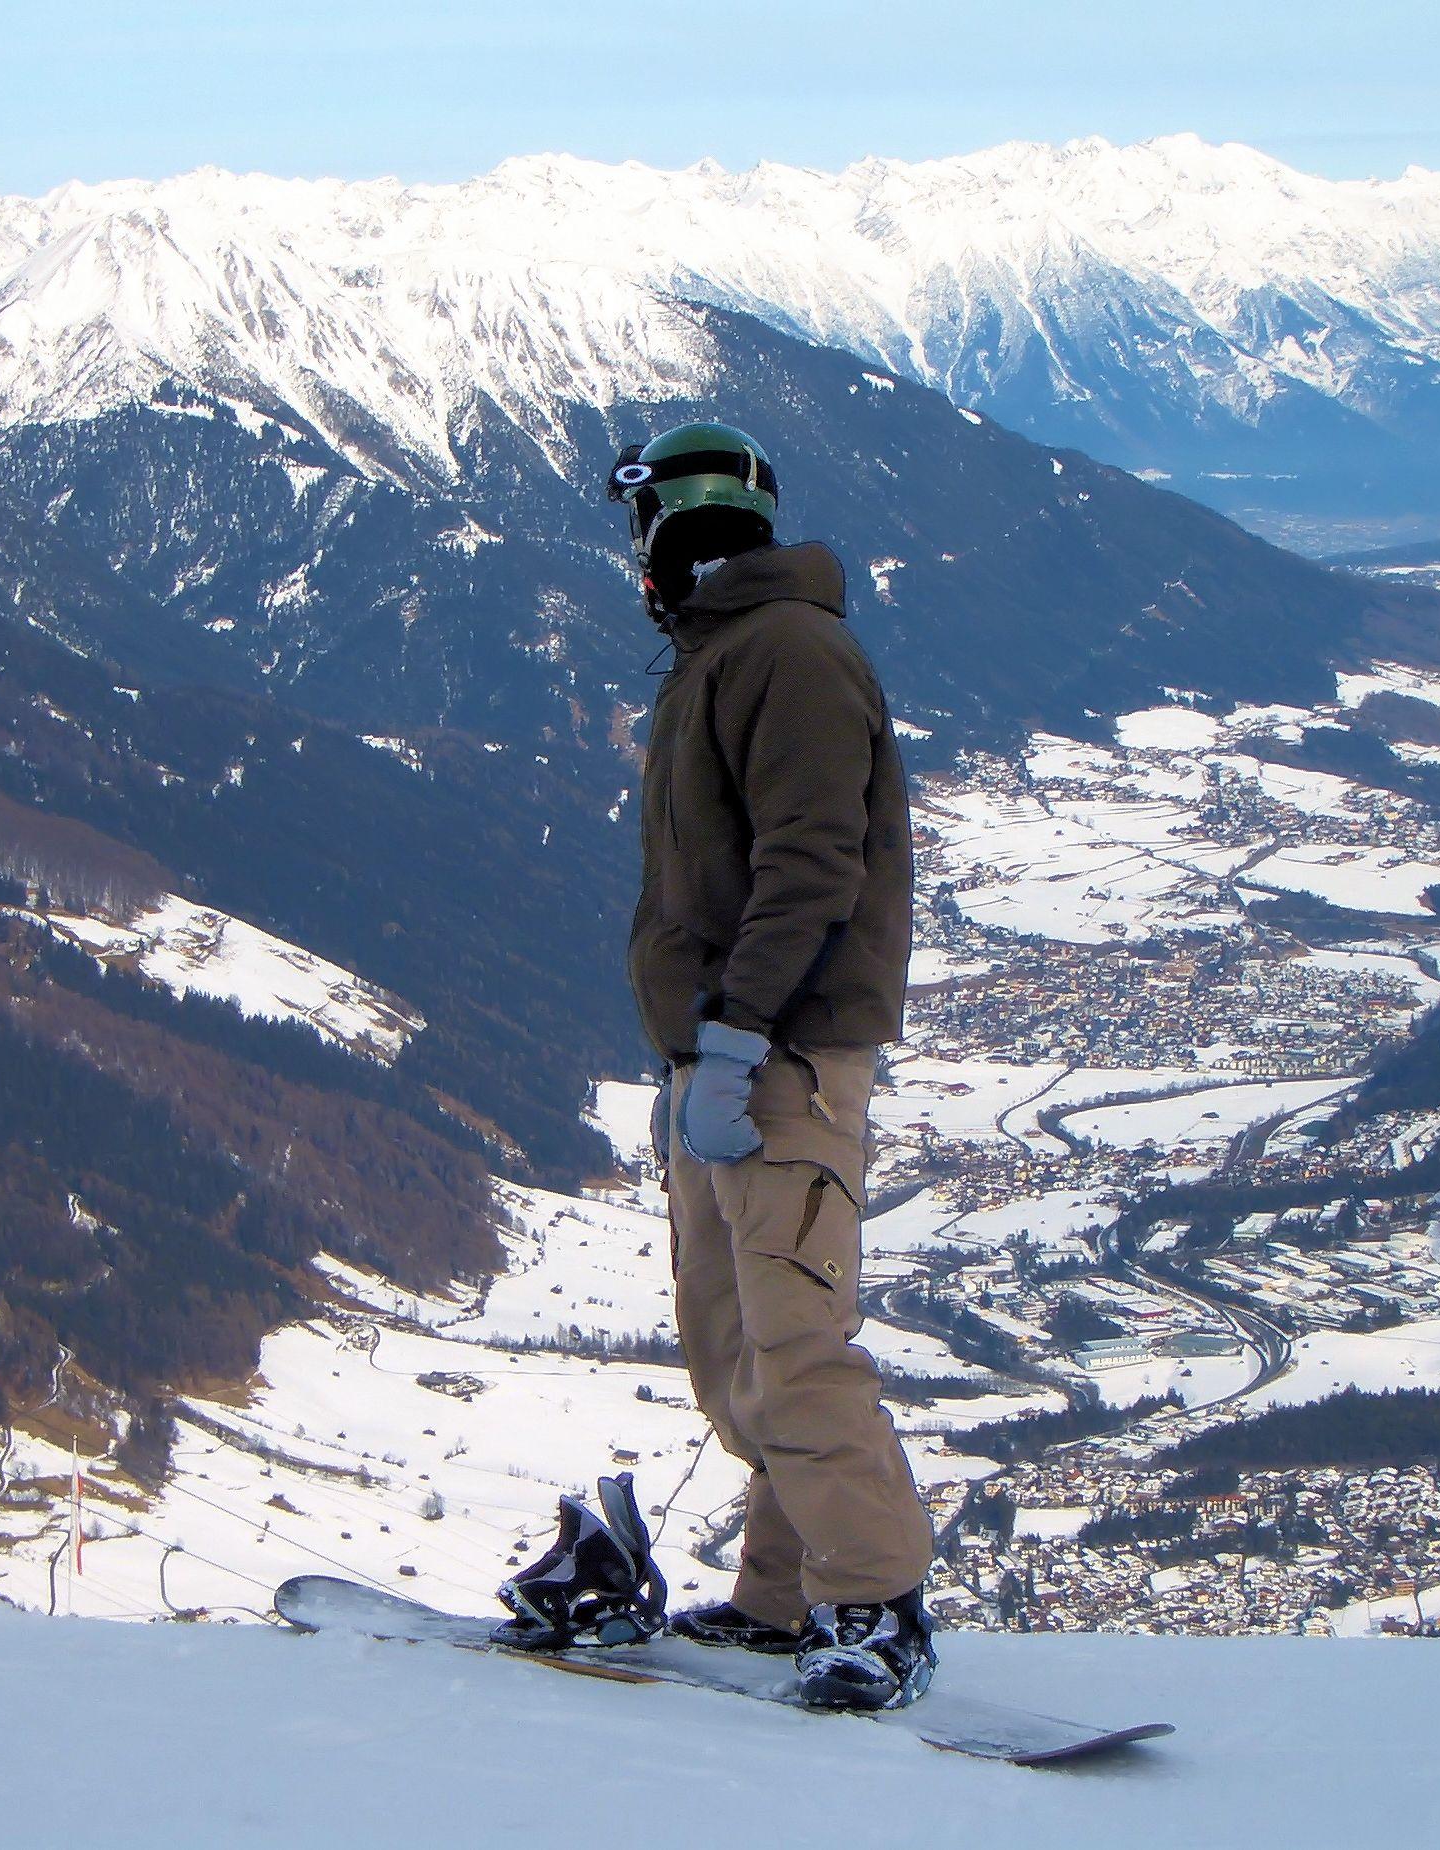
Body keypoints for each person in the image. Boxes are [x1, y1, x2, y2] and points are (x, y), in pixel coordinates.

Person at [522, 419, 938, 1711]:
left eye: (643, 530)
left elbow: (814, 860)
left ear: (679, 532)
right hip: (722, 1052)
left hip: (784, 1057)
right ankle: (779, 1598)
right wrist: (699, 1048)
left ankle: (876, 1602)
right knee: (734, 1347)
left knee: (797, 1339)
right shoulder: (724, 657)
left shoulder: (793, 656)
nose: (635, 558)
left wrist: (743, 1034)